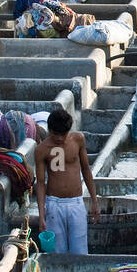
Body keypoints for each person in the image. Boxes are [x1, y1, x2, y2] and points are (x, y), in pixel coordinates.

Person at [34, 109, 100, 254]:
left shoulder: (78, 139)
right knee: (57, 253)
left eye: (63, 134)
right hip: (54, 205)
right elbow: (40, 183)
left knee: (80, 252)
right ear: (49, 130)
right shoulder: (41, 149)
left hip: (76, 202)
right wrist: (41, 216)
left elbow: (86, 170)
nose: (59, 139)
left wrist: (94, 201)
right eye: (55, 134)